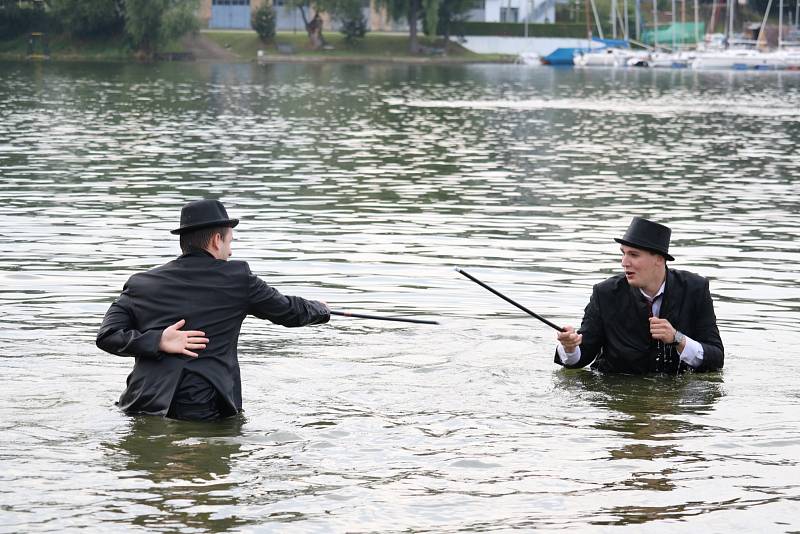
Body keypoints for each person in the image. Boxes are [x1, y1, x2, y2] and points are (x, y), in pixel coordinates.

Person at [96, 199, 330, 421]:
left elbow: (107, 336)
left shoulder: (142, 283)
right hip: (203, 407)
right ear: (217, 240)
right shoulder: (238, 279)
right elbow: (289, 311)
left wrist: (156, 341)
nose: (230, 252)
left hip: (142, 403)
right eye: (230, 242)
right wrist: (320, 309)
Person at [555, 216, 724, 374]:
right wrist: (570, 347)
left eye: (633, 255)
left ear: (659, 259)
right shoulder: (605, 293)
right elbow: (581, 358)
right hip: (616, 392)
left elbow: (716, 358)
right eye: (623, 253)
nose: (624, 262)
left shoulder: (695, 289)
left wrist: (677, 338)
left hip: (675, 397)